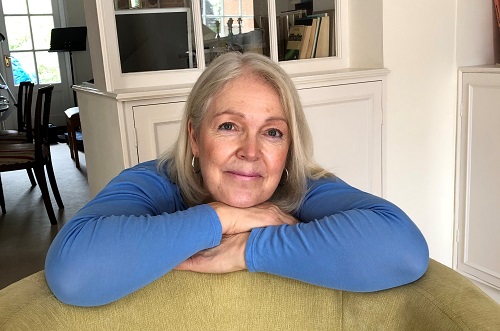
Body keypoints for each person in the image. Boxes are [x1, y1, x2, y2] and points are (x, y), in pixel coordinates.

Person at [45, 52, 429, 307]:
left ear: (289, 146)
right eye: (229, 126)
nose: (251, 151)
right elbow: (75, 273)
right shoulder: (154, 182)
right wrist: (223, 218)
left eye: (273, 132)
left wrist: (247, 249)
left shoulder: (303, 186)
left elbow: (402, 251)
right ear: (195, 137)